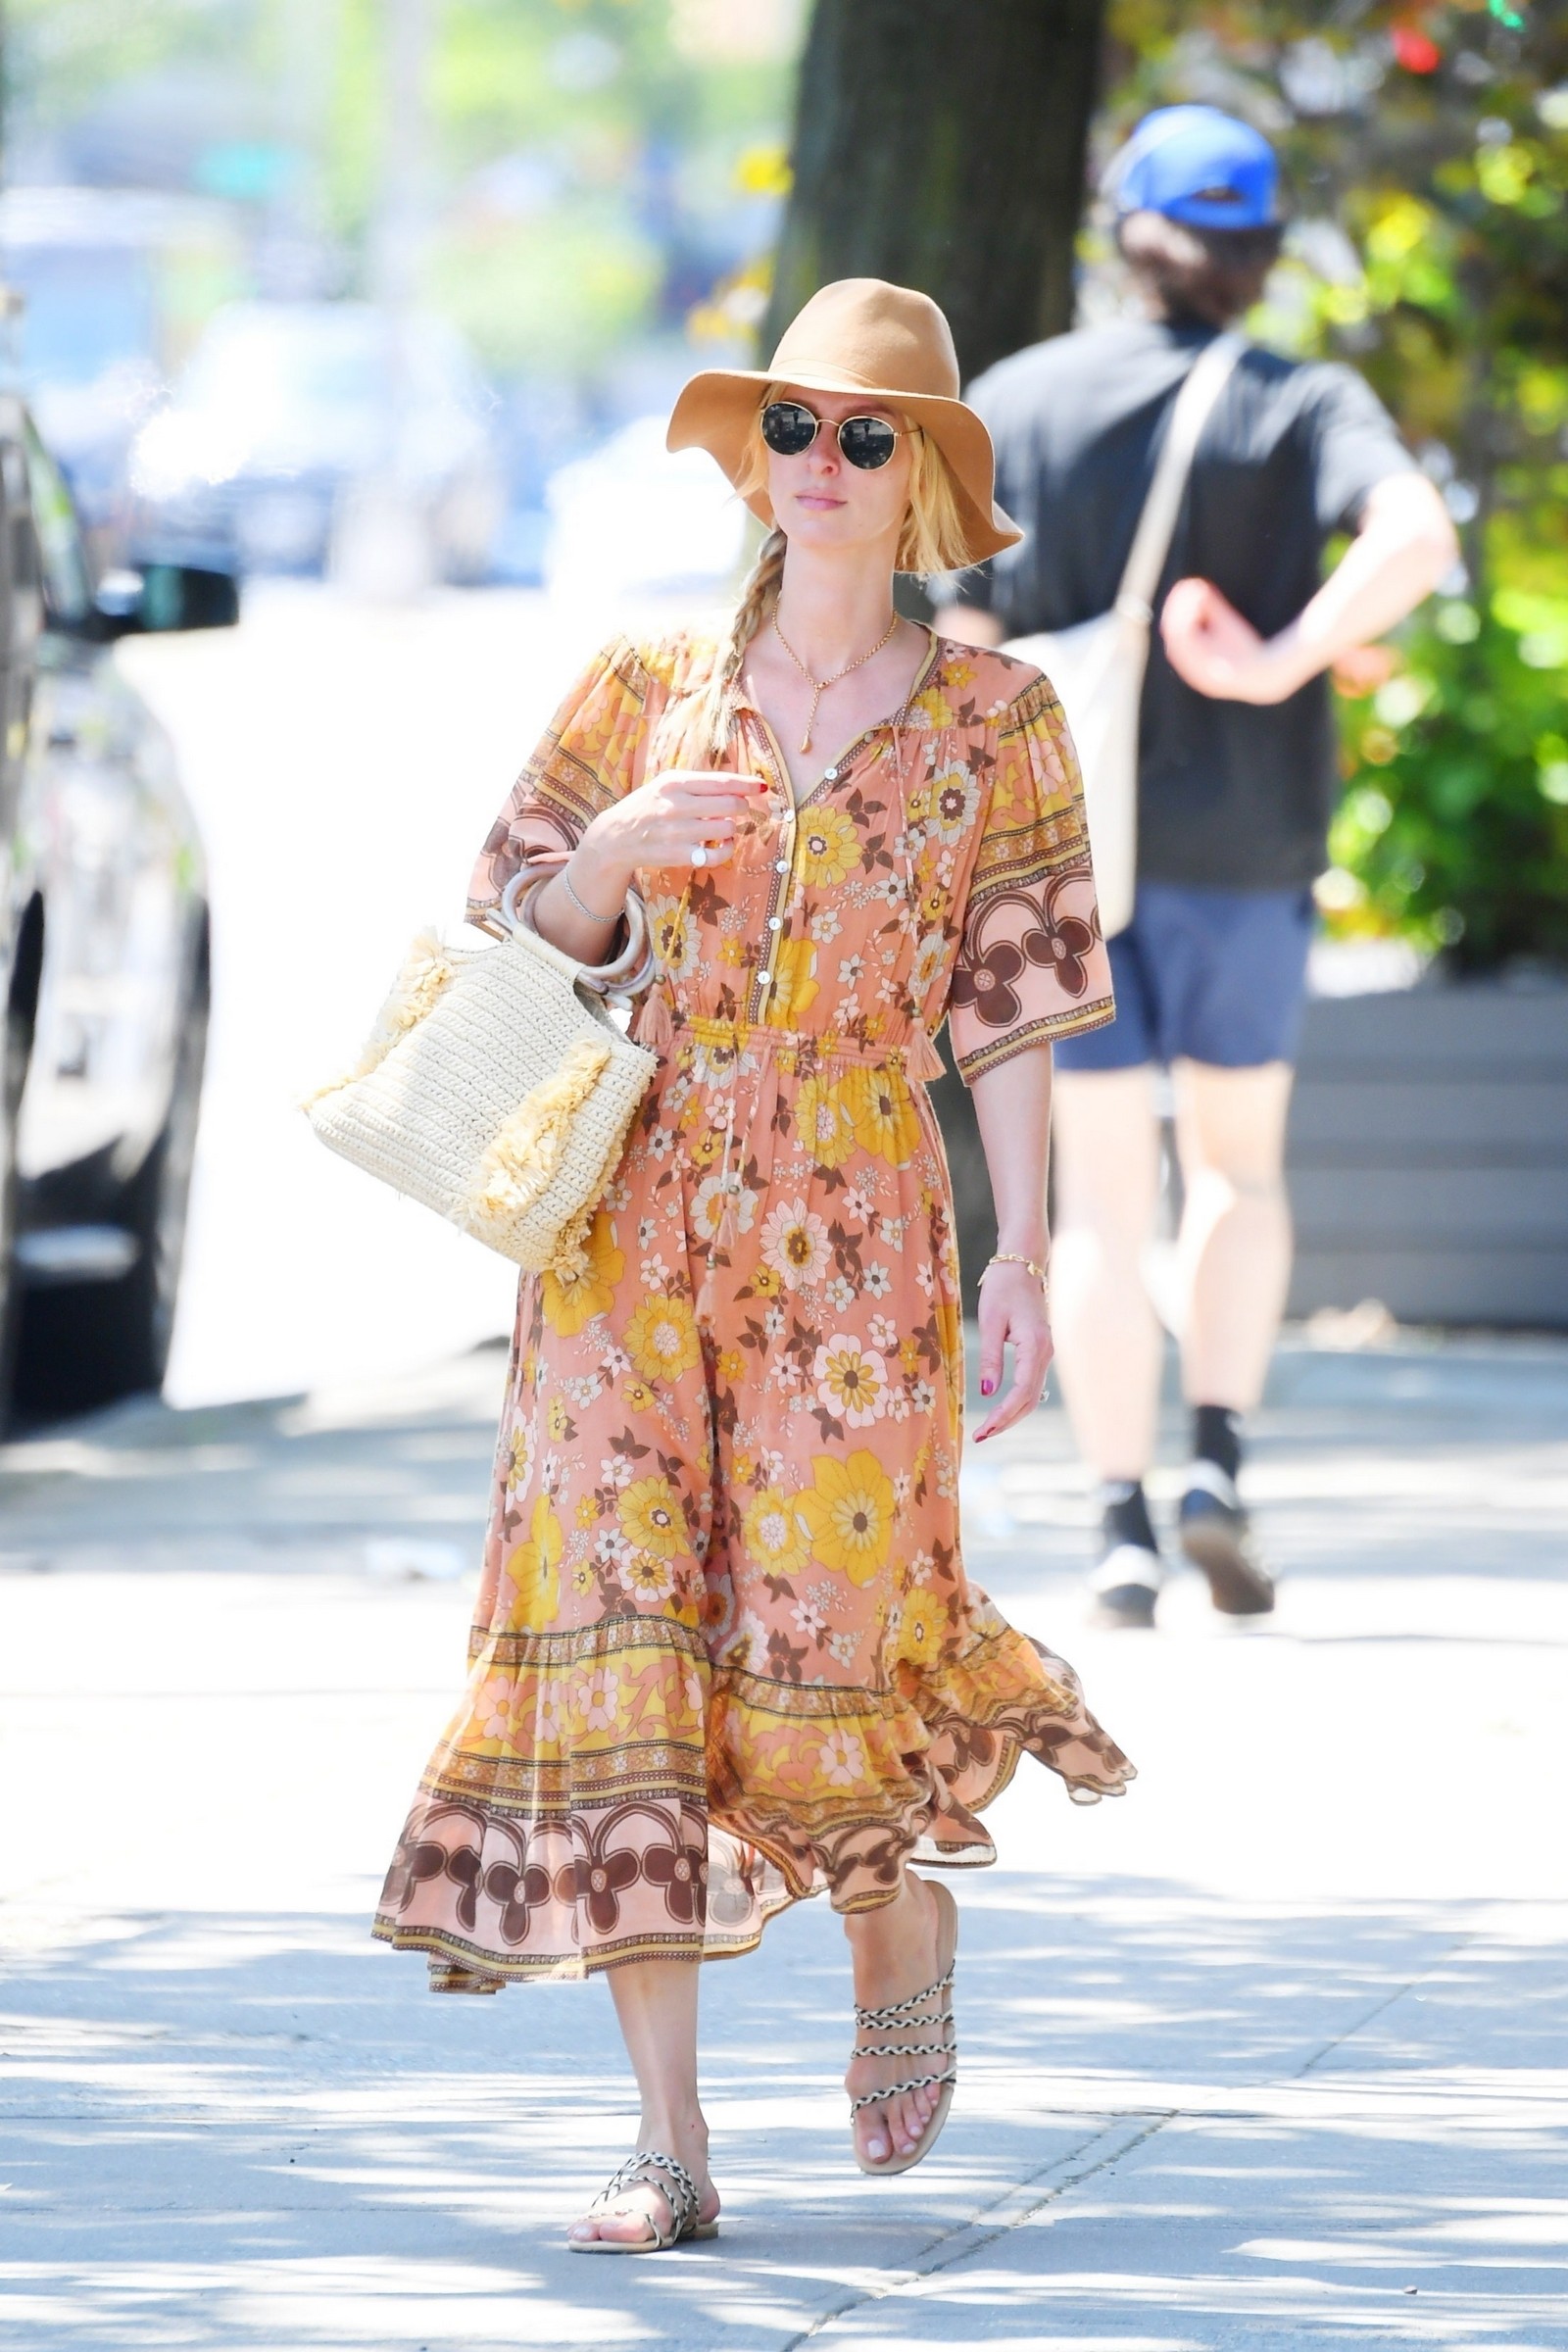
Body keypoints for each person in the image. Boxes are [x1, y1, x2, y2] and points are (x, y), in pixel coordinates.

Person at [372, 278, 1134, 2250]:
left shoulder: (997, 720)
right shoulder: (641, 682)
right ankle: (668, 2141)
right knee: (623, 1634)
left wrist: (1025, 1254)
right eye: (790, 426)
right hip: (619, 1245)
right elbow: (514, 919)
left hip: (860, 1239)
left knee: (826, 1637)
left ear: (920, 478)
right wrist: (612, 851)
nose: (818, 463)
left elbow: (1014, 1013)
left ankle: (893, 1915)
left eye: (864, 436)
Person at [935, 107, 1457, 1630]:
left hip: (1063, 862)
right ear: (1261, 253)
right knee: (1237, 1166)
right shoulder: (1303, 403)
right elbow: (1417, 536)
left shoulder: (1019, 400)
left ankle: (1119, 1530)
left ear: (1127, 234)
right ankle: (1217, 1462)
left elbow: (961, 643)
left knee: (1103, 1199)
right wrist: (1288, 657)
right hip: (1245, 846)